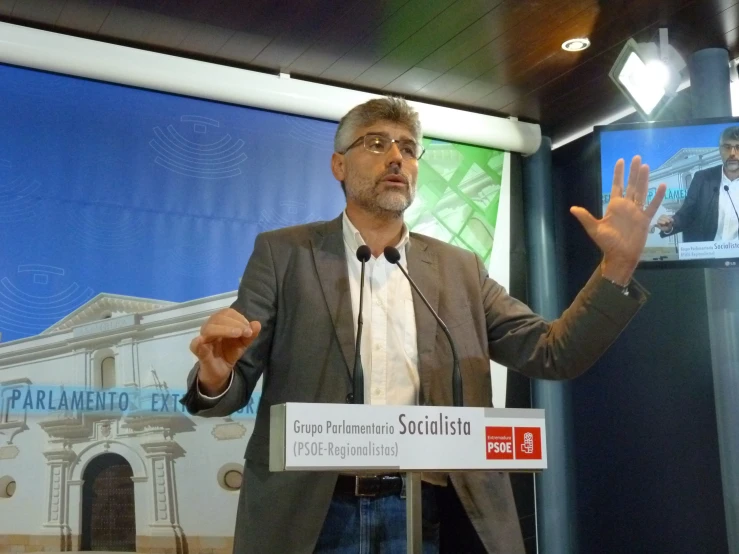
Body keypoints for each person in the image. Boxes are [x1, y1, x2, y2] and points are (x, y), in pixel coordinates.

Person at [179, 96, 666, 554]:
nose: (396, 156)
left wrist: (616, 269)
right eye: (376, 142)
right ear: (339, 165)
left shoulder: (460, 269)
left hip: (432, 512)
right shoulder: (283, 254)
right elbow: (233, 381)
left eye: (408, 148)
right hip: (313, 515)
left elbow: (552, 352)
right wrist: (217, 377)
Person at [656, 125, 739, 242]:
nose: (732, 153)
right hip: (706, 255)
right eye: (727, 147)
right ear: (720, 151)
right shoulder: (703, 178)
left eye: (738, 147)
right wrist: (670, 225)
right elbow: (686, 214)